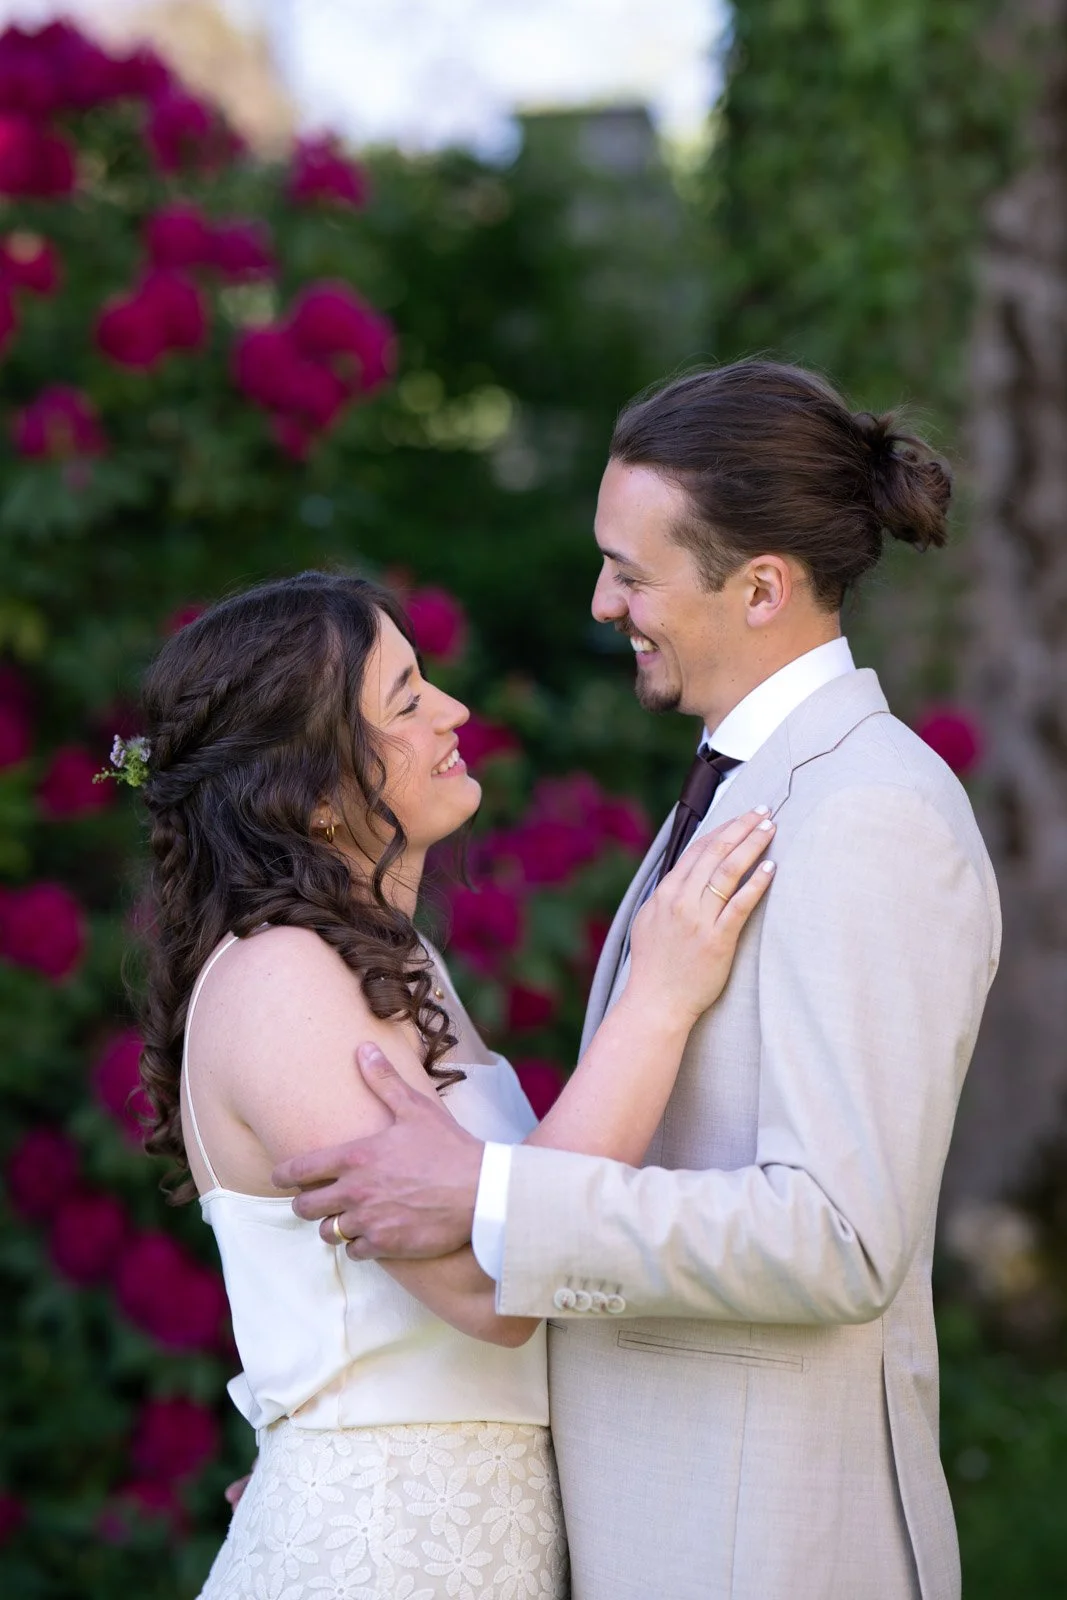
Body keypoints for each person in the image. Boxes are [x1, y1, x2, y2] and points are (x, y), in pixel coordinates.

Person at [275, 361, 1002, 1600]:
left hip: (762, 1551)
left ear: (760, 586)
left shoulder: (869, 810)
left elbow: (837, 1237)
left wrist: (492, 1194)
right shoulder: (743, 786)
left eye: (631, 569)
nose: (602, 602)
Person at [132, 569, 775, 1599]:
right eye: (404, 699)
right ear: (308, 782)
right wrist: (656, 999)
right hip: (379, 1557)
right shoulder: (278, 978)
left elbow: (508, 1236)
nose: (454, 711)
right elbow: (492, 1283)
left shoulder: (393, 962)